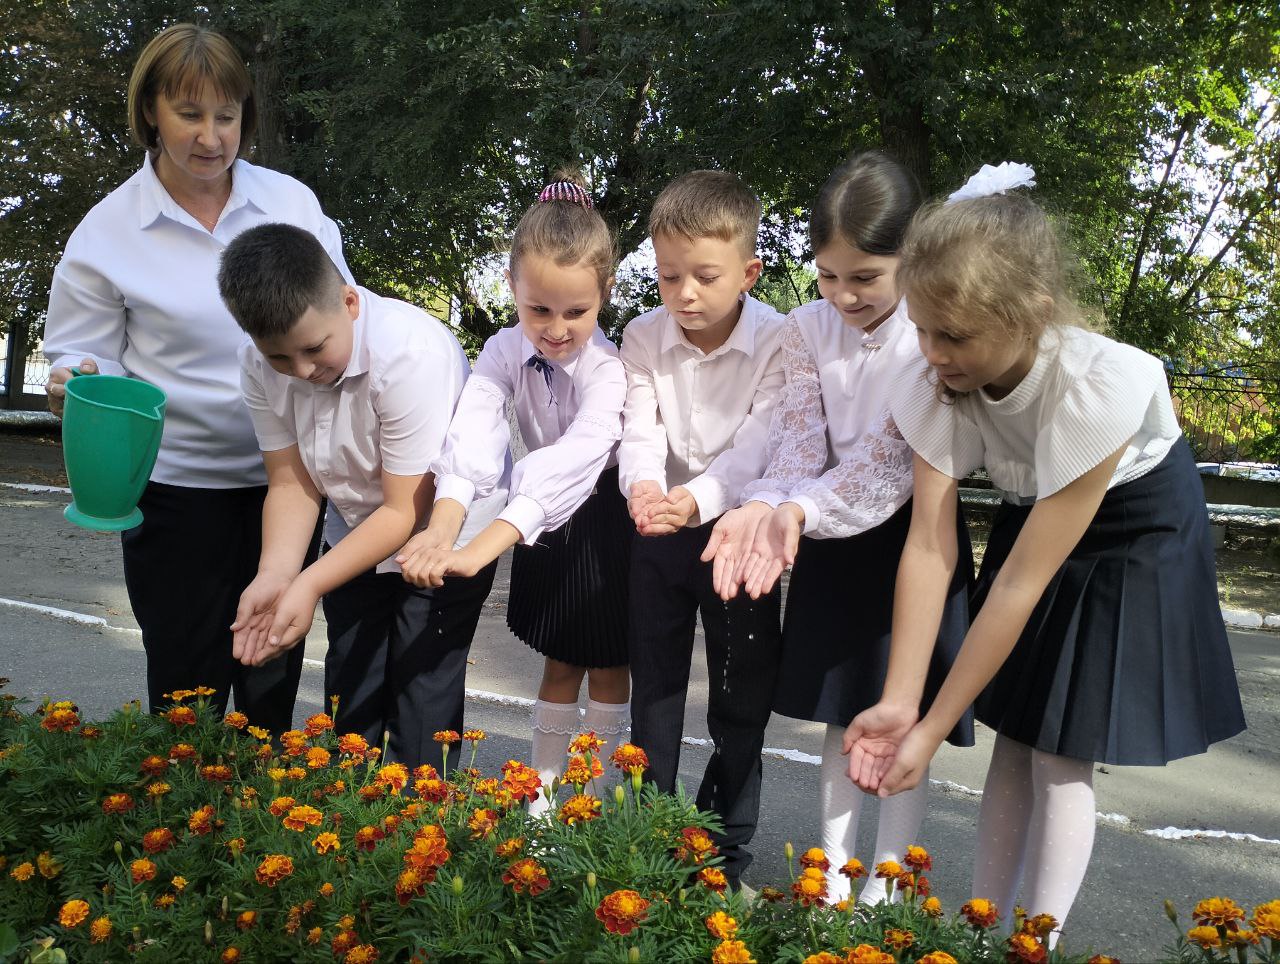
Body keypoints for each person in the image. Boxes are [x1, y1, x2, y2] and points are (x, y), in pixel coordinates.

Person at [846, 163, 1246, 943]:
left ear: (1029, 314)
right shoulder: (937, 377)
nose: (933, 352)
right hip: (1041, 510)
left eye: (953, 335)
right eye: (921, 329)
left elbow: (1021, 583)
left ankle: (1038, 942)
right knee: (1017, 736)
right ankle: (980, 928)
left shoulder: (1097, 387)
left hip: (1135, 525)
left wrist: (930, 735)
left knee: (1062, 745)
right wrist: (904, 699)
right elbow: (929, 547)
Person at [42, 24, 351, 732]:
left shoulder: (292, 206)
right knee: (185, 685)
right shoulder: (107, 229)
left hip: (288, 486)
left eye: (226, 115)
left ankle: (263, 832)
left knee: (270, 676)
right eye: (189, 114)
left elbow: (341, 319)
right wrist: (75, 378)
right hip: (173, 493)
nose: (211, 136)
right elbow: (83, 357)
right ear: (150, 110)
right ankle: (186, 827)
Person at [702, 151, 974, 902]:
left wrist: (794, 509)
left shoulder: (933, 332)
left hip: (911, 536)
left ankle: (884, 886)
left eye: (865, 277)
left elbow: (888, 464)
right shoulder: (803, 330)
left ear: (909, 258)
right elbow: (796, 441)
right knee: (838, 715)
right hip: (823, 536)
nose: (844, 295)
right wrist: (768, 504)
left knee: (901, 718)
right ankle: (828, 879)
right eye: (828, 275)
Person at [218, 223, 503, 770]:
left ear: (350, 302)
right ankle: (348, 822)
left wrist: (310, 582)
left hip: (441, 533)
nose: (301, 372)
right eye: (280, 359)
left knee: (421, 697)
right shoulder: (259, 362)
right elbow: (290, 482)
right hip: (351, 525)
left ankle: (421, 831)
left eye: (313, 349)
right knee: (351, 682)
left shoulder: (408, 354)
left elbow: (404, 511)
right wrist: (277, 576)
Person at [398, 172, 630, 815]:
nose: (556, 329)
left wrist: (479, 552)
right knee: (559, 663)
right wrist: (444, 528)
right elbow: (474, 432)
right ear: (512, 289)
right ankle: (544, 801)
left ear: (606, 293)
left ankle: (595, 800)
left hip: (605, 516)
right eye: (539, 310)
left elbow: (577, 458)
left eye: (577, 312)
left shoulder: (610, 369)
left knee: (610, 665)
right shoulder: (500, 350)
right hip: (542, 522)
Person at [619, 170, 786, 887]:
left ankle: (724, 846)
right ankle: (647, 833)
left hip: (741, 531)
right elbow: (639, 427)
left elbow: (763, 438)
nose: (684, 294)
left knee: (740, 694)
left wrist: (701, 497)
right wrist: (646, 488)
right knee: (653, 688)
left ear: (748, 271)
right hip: (658, 527)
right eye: (667, 276)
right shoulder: (642, 336)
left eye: (705, 276)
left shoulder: (781, 341)